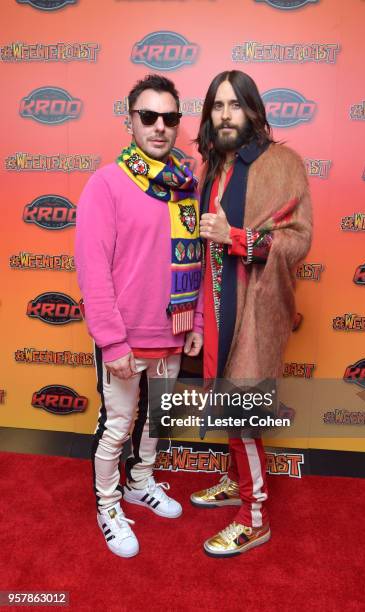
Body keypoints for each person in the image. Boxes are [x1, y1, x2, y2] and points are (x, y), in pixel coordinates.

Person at [75, 74, 203, 558]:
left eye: (170, 118)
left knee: (155, 421)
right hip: (126, 336)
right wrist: (111, 341)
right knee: (118, 424)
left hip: (172, 330)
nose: (160, 127)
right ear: (130, 121)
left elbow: (196, 263)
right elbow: (93, 269)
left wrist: (197, 325)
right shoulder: (106, 183)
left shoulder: (184, 185)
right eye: (148, 116)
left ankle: (140, 482)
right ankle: (108, 505)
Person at [190, 70, 312, 557]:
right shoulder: (212, 168)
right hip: (216, 308)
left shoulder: (283, 163)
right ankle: (234, 479)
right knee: (227, 399)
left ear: (254, 111)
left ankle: (254, 517)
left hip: (256, 308)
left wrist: (236, 238)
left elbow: (299, 240)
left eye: (234, 105)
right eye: (217, 106)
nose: (224, 115)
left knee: (242, 410)